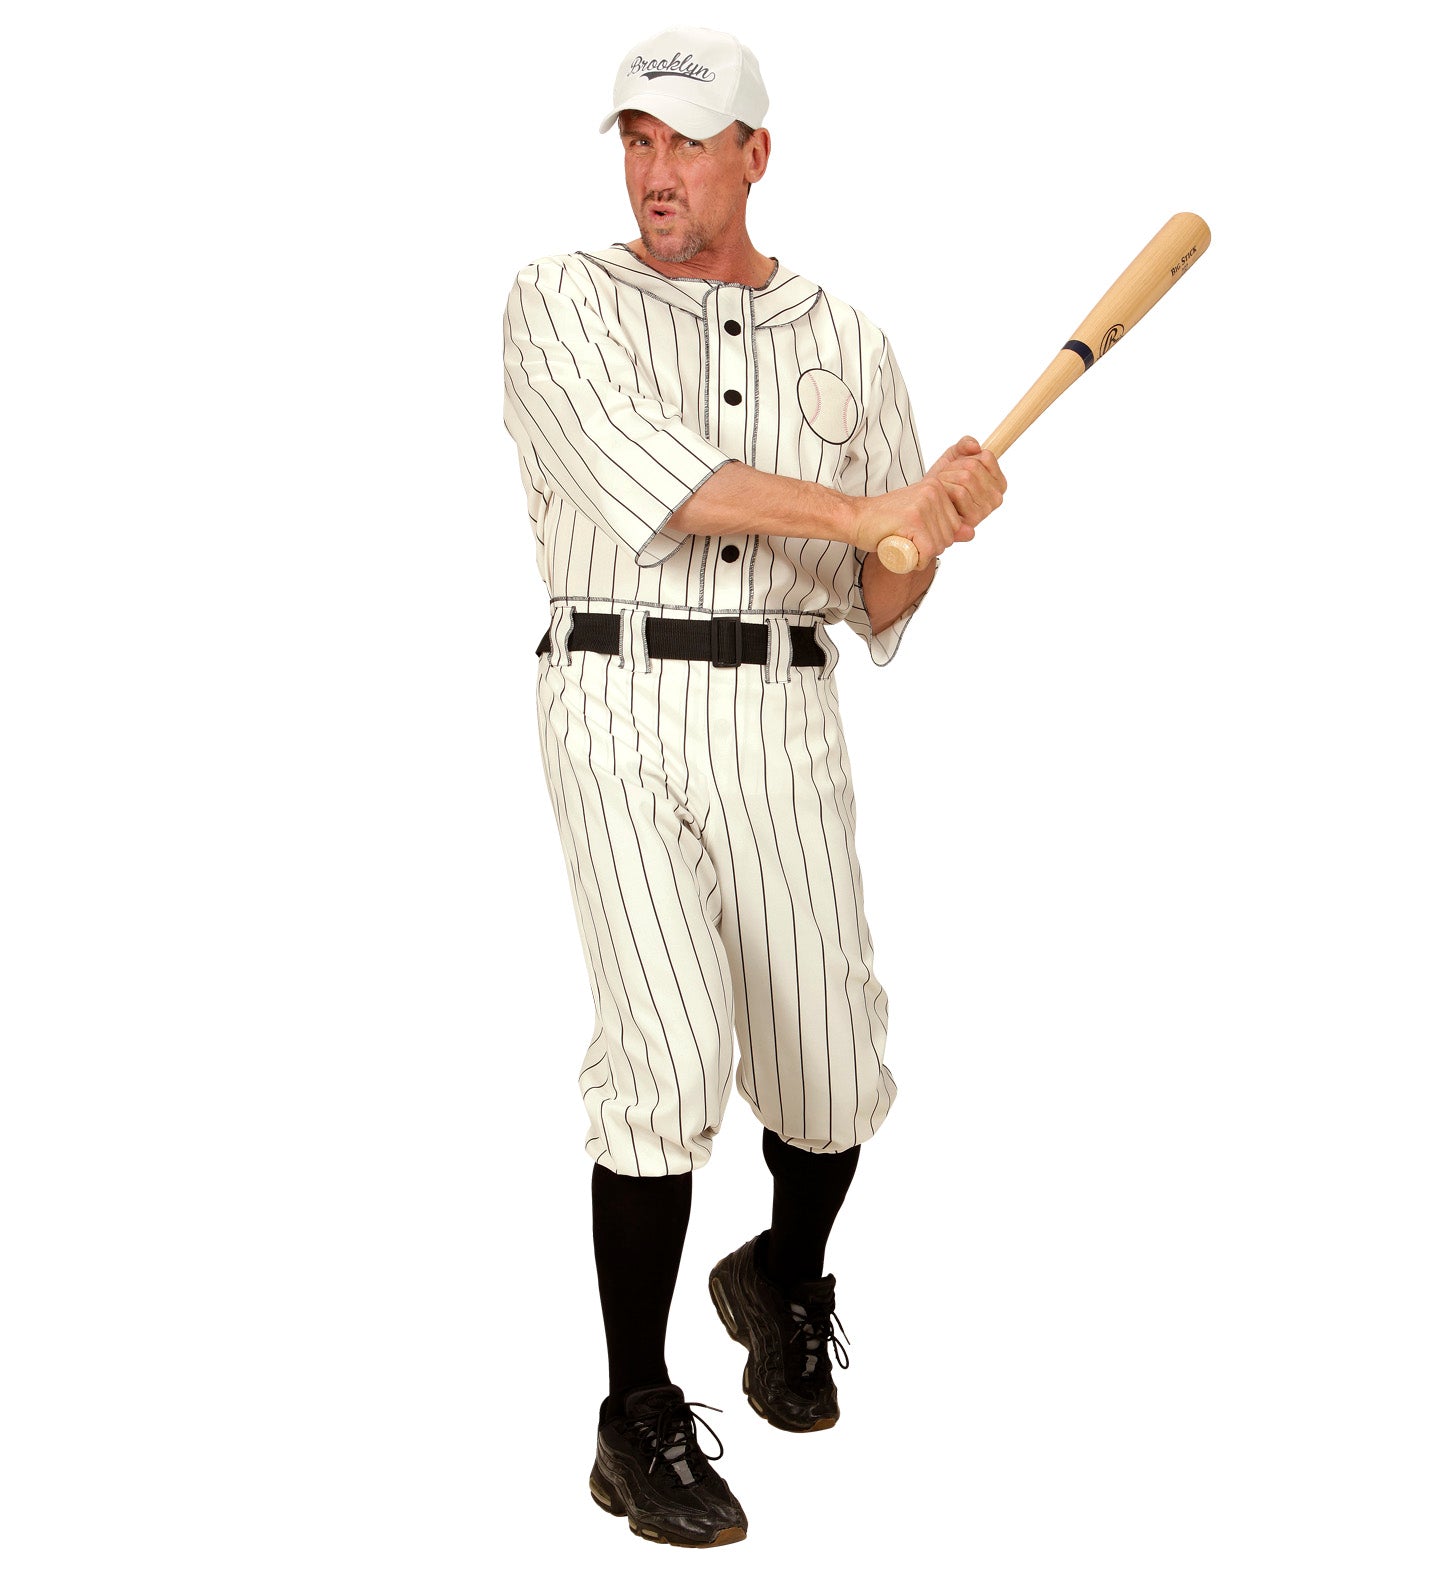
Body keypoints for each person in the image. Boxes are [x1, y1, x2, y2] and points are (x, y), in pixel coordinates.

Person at [501, 26, 1006, 1548]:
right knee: (662, 1054)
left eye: (685, 142)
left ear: (753, 154)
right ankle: (633, 1412)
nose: (656, 173)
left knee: (833, 1066)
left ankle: (782, 1275)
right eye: (636, 142)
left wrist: (937, 525)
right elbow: (659, 483)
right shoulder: (558, 297)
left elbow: (880, 592)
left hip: (785, 705)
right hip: (615, 690)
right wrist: (869, 510)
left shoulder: (845, 339)